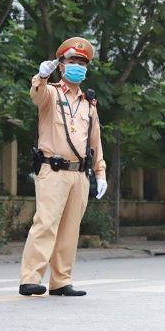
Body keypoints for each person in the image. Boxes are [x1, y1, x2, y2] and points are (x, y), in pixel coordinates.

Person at [19, 37, 107, 297]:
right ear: (61, 65)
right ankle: (30, 278)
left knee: (70, 230)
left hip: (79, 174)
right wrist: (41, 76)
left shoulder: (89, 104)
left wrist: (100, 172)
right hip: (53, 170)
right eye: (72, 60)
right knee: (46, 223)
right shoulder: (51, 93)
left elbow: (95, 141)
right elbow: (36, 96)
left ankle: (60, 281)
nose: (78, 65)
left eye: (82, 62)